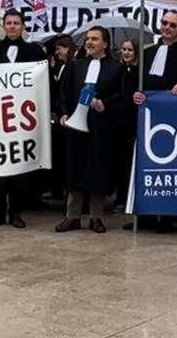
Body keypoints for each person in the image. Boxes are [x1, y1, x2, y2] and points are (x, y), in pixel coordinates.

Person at [130, 9, 177, 230]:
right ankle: (145, 215)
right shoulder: (148, 52)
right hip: (148, 117)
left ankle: (167, 216)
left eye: (173, 25)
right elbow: (135, 82)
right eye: (165, 23)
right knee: (146, 164)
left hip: (175, 119)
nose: (167, 28)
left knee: (169, 166)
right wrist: (135, 94)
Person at [0, 8, 47, 229]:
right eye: (9, 23)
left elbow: (44, 83)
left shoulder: (35, 51)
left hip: (23, 118)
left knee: (20, 167)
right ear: (3, 25)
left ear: (22, 25)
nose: (12, 26)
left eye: (16, 23)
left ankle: (16, 213)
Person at [55, 25, 128, 233]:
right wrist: (63, 113)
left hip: (100, 127)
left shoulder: (117, 69)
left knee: (98, 170)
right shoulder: (75, 66)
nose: (89, 42)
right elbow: (64, 95)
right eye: (88, 38)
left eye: (95, 39)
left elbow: (122, 98)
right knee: (74, 170)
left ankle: (96, 217)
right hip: (76, 127)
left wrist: (106, 105)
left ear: (105, 43)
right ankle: (73, 216)